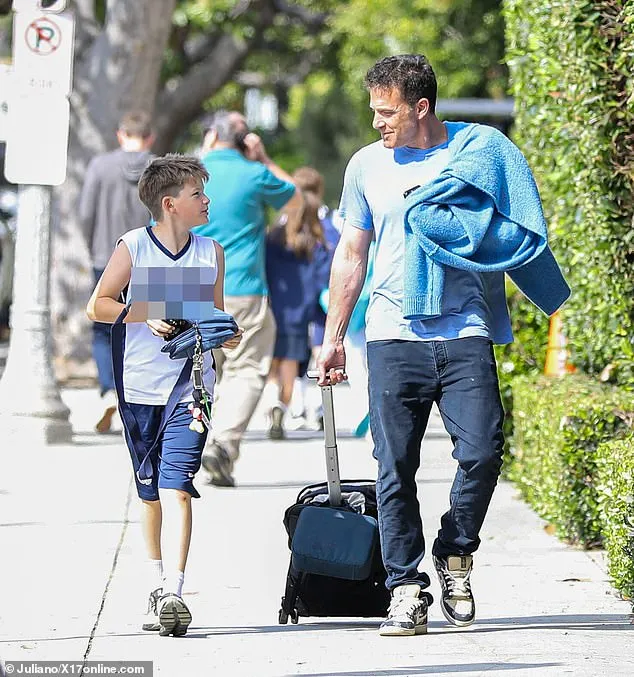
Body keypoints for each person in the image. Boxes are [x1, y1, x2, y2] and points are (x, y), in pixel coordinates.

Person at [317, 54, 570, 637]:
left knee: (482, 451)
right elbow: (352, 254)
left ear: (420, 107)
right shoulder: (365, 166)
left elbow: (514, 222)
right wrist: (333, 339)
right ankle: (405, 587)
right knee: (393, 466)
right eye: (374, 111)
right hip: (390, 332)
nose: (377, 123)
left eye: (387, 113)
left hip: (464, 328)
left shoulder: (477, 155)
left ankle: (455, 550)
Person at [86, 154, 242, 637]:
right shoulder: (133, 247)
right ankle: (155, 587)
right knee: (149, 492)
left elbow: (212, 316)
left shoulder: (211, 251)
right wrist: (146, 312)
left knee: (178, 485)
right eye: (198, 194)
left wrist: (223, 335)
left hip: (191, 386)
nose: (206, 200)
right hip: (138, 386)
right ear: (170, 204)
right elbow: (98, 305)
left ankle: (176, 592)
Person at [193, 110, 300, 486]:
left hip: (184, 285)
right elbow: (296, 199)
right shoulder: (255, 175)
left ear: (210, 136)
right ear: (245, 141)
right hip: (241, 287)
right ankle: (222, 444)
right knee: (245, 369)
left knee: (190, 370)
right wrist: (264, 159)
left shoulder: (185, 171)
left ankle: (180, 450)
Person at [80, 111, 155, 433]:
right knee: (149, 323)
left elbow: (85, 213)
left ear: (120, 134)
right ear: (149, 137)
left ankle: (109, 388)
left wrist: (91, 244)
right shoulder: (159, 167)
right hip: (151, 256)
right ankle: (138, 394)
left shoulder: (100, 165)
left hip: (106, 255)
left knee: (102, 325)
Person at [264, 190, 329, 439]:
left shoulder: (272, 240)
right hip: (300, 316)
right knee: (290, 367)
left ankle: (271, 403)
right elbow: (322, 280)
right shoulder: (315, 245)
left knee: (272, 367)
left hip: (273, 311)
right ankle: (283, 404)